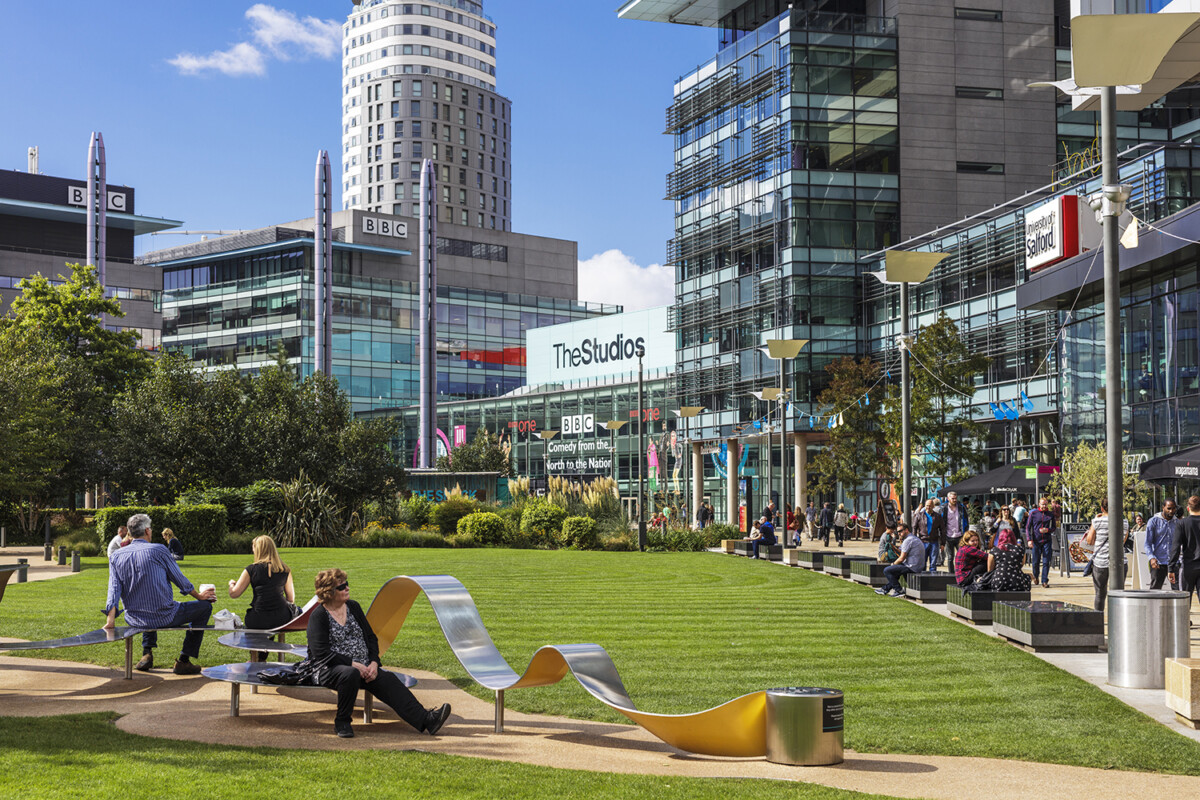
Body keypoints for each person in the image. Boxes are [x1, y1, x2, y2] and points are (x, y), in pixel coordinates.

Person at [308, 569, 451, 739]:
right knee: (350, 674)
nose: (347, 588)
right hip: (327, 669)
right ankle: (342, 722)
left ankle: (427, 720)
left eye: (347, 584)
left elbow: (370, 637)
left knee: (387, 679)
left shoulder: (353, 607)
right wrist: (354, 664)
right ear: (329, 592)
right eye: (342, 587)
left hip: (363, 666)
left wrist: (374, 662)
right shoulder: (318, 616)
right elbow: (321, 652)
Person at [103, 513, 216, 675]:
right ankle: (184, 660)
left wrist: (110, 619)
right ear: (147, 531)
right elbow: (179, 579)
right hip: (164, 615)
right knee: (204, 607)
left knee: (147, 598)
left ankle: (146, 653)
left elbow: (113, 589)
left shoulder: (115, 557)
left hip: (135, 618)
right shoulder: (159, 550)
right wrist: (199, 596)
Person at [228, 535, 298, 630]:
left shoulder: (251, 569)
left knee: (259, 619)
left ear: (258, 550)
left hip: (257, 619)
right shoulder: (285, 570)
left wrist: (231, 584)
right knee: (297, 610)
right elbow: (291, 599)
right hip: (282, 618)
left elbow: (234, 594)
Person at [1084, 497, 1129, 612]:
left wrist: (1093, 522)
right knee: (1118, 594)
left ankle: (1098, 620)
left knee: (1100, 593)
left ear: (1102, 508)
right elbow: (1123, 541)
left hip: (1101, 562)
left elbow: (1090, 541)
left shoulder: (1097, 521)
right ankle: (1118, 620)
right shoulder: (1124, 522)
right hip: (1120, 562)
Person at [1168, 496, 1200, 613]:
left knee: (1185, 598)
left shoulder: (1182, 524)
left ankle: (1184, 623)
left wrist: (1171, 567)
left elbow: (1175, 547)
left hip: (1188, 566)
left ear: (1187, 508)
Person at [876, 522, 924, 597]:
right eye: (897, 532)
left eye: (900, 531)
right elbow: (902, 550)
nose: (898, 533)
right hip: (916, 565)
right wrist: (895, 548)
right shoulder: (912, 538)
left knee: (887, 570)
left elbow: (901, 558)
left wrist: (893, 564)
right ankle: (885, 589)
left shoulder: (908, 540)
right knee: (895, 571)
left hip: (912, 567)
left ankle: (899, 590)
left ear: (906, 530)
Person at [1145, 499, 1178, 590]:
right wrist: (1151, 558)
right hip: (1158, 562)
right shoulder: (1153, 521)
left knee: (1178, 590)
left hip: (1174, 563)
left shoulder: (1177, 523)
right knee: (1155, 590)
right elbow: (1147, 543)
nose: (1171, 511)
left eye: (1173, 508)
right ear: (1163, 508)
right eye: (1169, 508)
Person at [1025, 497, 1057, 588]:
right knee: (1035, 562)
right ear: (1039, 504)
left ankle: (1044, 581)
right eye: (1042, 504)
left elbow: (1054, 527)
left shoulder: (1050, 514)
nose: (1044, 506)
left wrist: (1048, 530)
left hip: (1047, 540)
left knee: (1046, 561)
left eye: (1046, 504)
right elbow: (1028, 527)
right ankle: (1035, 576)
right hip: (1036, 541)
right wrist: (1029, 539)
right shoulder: (1034, 513)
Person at [941, 491, 969, 570]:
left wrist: (966, 532)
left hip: (959, 535)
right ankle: (951, 574)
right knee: (950, 557)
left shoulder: (961, 507)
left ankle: (961, 572)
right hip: (948, 536)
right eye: (952, 498)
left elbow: (966, 520)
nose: (954, 500)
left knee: (962, 556)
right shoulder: (944, 508)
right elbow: (941, 523)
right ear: (948, 498)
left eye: (955, 498)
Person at [917, 499, 945, 572]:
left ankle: (932, 579)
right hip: (923, 541)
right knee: (923, 562)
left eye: (930, 506)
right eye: (927, 506)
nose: (928, 507)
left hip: (934, 541)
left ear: (933, 506)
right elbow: (914, 528)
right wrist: (915, 541)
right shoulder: (919, 515)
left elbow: (942, 530)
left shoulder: (938, 516)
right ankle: (922, 579)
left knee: (933, 563)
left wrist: (943, 543)